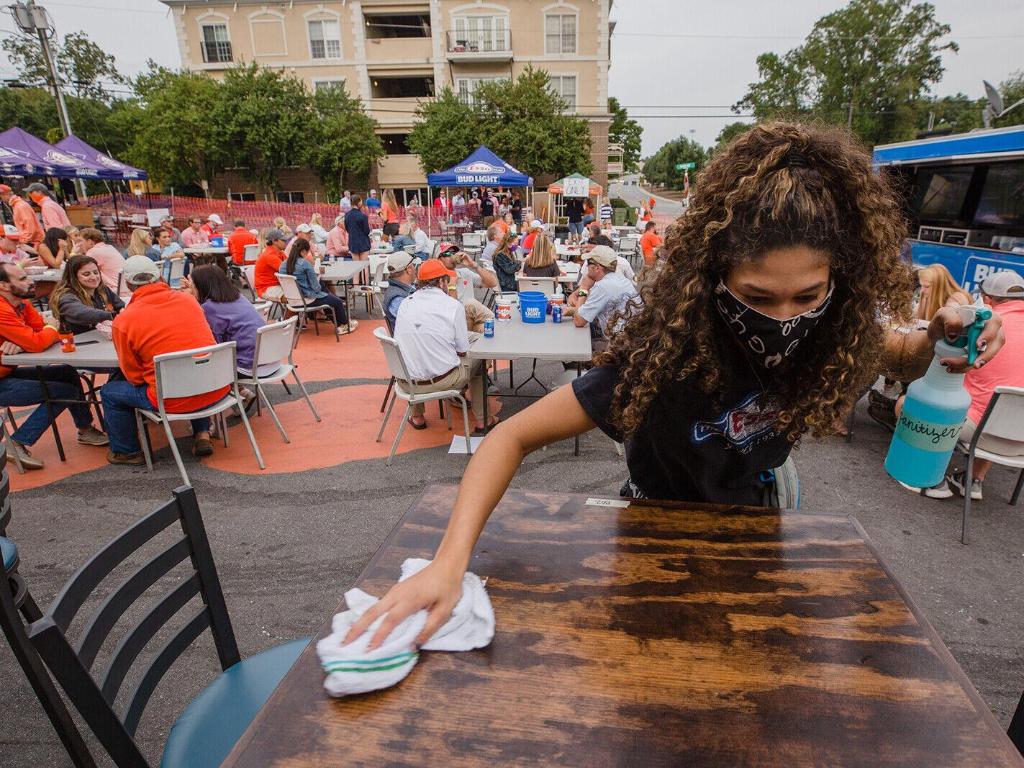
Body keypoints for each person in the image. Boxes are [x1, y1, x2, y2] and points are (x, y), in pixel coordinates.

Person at [341, 121, 1008, 650]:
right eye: (757, 296)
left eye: (806, 294)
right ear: (714, 274)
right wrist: (449, 563)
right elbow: (509, 436)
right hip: (656, 520)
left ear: (839, 278)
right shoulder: (666, 357)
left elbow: (901, 360)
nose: (783, 320)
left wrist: (941, 330)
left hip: (763, 512)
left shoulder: (833, 329)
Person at [896, 271, 1024, 500]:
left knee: (907, 403)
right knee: (1003, 408)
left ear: (986, 299)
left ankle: (926, 478)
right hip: (1019, 442)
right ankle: (973, 479)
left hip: (979, 428)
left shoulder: (981, 323)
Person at [101, 256, 226, 465]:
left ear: (130, 285)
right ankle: (202, 433)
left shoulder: (124, 320)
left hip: (171, 399)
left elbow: (133, 376)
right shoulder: (189, 300)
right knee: (192, 369)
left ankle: (127, 451)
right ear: (160, 277)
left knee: (109, 392)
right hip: (216, 389)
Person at [0, 262, 109, 469]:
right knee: (64, 391)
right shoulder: (2, 309)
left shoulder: (22, 303)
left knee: (67, 372)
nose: (31, 281)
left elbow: (42, 332)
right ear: (4, 286)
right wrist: (35, 337)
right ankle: (17, 442)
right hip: (3, 378)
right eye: (22, 279)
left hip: (7, 371)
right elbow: (42, 337)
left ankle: (85, 429)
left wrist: (24, 341)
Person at [392, 259, 491, 432]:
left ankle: (417, 416)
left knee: (418, 350)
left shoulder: (405, 303)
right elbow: (462, 351)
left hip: (406, 381)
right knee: (479, 358)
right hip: (442, 381)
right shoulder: (452, 306)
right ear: (441, 281)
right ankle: (483, 420)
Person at [184, 265, 266, 374]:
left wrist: (188, 299)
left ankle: (232, 388)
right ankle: (238, 389)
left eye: (193, 285)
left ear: (201, 286)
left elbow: (214, 346)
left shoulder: (209, 308)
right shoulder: (237, 296)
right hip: (267, 358)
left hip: (246, 365)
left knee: (193, 362)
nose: (191, 288)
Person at [562, 246, 638, 352]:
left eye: (588, 263)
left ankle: (579, 364)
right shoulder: (620, 280)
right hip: (633, 340)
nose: (586, 267)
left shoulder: (603, 286)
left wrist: (584, 288)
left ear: (597, 268)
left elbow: (579, 321)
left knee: (570, 344)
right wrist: (576, 309)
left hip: (621, 348)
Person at [280, 237, 355, 333]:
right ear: (303, 251)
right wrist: (317, 279)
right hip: (307, 298)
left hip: (292, 299)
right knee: (337, 301)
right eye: (307, 252)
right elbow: (316, 288)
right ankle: (344, 324)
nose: (307, 255)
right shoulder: (305, 264)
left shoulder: (283, 265)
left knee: (329, 298)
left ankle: (342, 323)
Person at [49, 255, 124, 334]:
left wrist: (124, 311)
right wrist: (112, 315)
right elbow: (81, 313)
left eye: (96, 272)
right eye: (86, 274)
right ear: (73, 277)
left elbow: (120, 307)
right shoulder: (66, 296)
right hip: (78, 342)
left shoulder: (103, 289)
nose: (94, 277)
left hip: (102, 338)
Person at [436, 244, 497, 332]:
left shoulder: (464, 273)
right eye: (448, 253)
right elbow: (451, 311)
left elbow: (492, 283)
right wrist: (452, 286)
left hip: (472, 321)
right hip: (455, 325)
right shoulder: (436, 280)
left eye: (454, 252)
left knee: (491, 328)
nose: (452, 255)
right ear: (439, 259)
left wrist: (474, 265)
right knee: (470, 303)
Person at [80, 228, 127, 298]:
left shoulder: (93, 252)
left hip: (114, 291)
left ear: (89, 242)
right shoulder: (109, 247)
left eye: (81, 241)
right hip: (124, 288)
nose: (79, 244)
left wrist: (73, 252)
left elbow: (78, 268)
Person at [382, 251, 417, 329]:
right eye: (413, 265)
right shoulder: (397, 299)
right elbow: (416, 323)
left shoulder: (404, 289)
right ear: (409, 269)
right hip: (411, 339)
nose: (415, 268)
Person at [254, 229, 287, 301]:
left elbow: (291, 265)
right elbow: (288, 270)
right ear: (274, 241)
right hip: (267, 288)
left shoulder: (279, 252)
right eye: (283, 240)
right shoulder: (270, 255)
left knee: (299, 295)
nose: (286, 242)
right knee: (295, 298)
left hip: (277, 285)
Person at [345, 194, 371, 259]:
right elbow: (367, 231)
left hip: (353, 243)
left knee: (356, 266)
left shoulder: (347, 215)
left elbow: (347, 229)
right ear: (358, 202)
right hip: (363, 243)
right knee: (364, 266)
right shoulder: (363, 216)